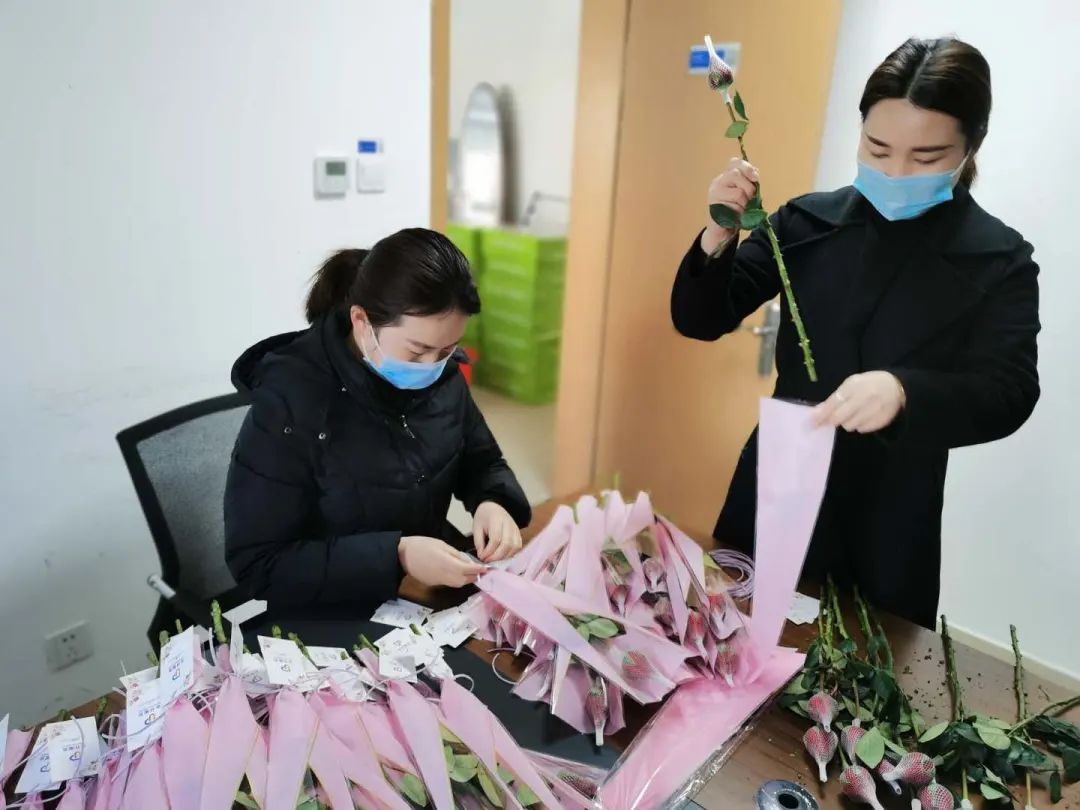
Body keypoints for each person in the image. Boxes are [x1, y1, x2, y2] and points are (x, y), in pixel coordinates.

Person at [670, 38, 1040, 628]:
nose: (895, 172)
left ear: (971, 146)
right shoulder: (806, 222)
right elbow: (699, 319)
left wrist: (906, 391)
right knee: (736, 637)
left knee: (867, 663)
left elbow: (1011, 392)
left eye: (926, 157)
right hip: (780, 478)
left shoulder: (999, 259)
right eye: (877, 148)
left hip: (893, 512)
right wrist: (719, 233)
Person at [225, 228, 531, 609]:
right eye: (417, 351)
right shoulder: (292, 402)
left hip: (424, 592)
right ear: (361, 321)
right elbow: (258, 563)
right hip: (330, 610)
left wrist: (493, 501)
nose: (432, 366)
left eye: (446, 350)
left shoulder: (443, 375)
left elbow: (481, 460)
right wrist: (397, 555)